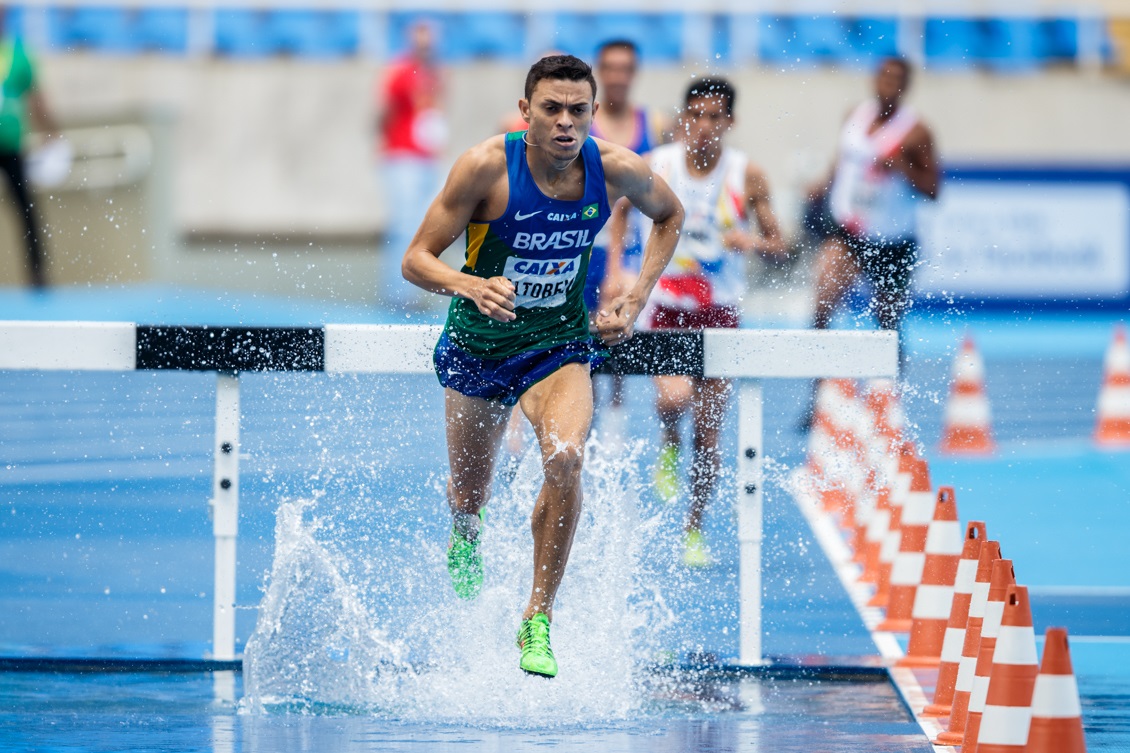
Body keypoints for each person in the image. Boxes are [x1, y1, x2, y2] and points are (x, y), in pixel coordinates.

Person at [401, 55, 683, 678]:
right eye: (551, 109)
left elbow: (670, 215)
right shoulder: (485, 168)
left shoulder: (612, 168)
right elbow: (416, 259)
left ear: (593, 114)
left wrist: (635, 298)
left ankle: (537, 617)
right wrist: (468, 286)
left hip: (558, 346)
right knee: (472, 493)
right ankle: (466, 529)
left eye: (577, 111)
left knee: (565, 457)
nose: (564, 123)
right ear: (526, 112)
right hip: (480, 345)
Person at [610, 77, 785, 567]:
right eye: (696, 116)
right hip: (664, 309)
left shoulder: (747, 176)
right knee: (674, 397)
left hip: (719, 314)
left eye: (714, 117)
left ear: (730, 122)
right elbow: (621, 210)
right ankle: (668, 441)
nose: (704, 127)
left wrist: (753, 243)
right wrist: (617, 270)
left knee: (709, 434)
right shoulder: (659, 165)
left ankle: (695, 528)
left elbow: (780, 244)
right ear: (683, 119)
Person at [810, 56, 940, 361]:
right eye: (884, 77)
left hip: (893, 240)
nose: (889, 84)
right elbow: (843, 159)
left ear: (906, 86)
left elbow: (933, 190)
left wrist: (901, 167)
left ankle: (888, 395)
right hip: (849, 230)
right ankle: (818, 396)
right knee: (822, 304)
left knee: (887, 323)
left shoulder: (917, 132)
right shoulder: (854, 115)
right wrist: (823, 185)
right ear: (875, 79)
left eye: (897, 79)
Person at [584, 38, 671, 446]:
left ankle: (614, 427)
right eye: (611, 68)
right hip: (582, 246)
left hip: (629, 249)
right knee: (577, 334)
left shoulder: (654, 125)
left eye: (625, 68)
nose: (618, 77)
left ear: (634, 73)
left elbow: (668, 193)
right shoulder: (581, 122)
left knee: (617, 329)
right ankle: (582, 419)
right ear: (600, 73)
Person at [376, 19, 446, 310]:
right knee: (403, 224)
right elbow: (385, 111)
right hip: (403, 156)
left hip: (426, 156)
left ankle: (411, 290)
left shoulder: (434, 73)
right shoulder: (400, 71)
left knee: (423, 225)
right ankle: (398, 292)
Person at [1, 15, 58, 289]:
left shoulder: (19, 54)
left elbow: (36, 98)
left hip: (11, 146)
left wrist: (52, 130)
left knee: (26, 209)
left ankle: (38, 272)